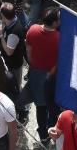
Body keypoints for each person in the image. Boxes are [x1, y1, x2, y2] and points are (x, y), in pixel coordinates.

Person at [22, 8, 61, 142]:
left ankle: (43, 134)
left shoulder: (32, 30)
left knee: (41, 105)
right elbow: (59, 60)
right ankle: (52, 130)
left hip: (36, 72)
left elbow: (28, 50)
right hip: (51, 75)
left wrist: (33, 64)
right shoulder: (59, 38)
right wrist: (51, 72)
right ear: (55, 23)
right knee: (51, 105)